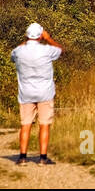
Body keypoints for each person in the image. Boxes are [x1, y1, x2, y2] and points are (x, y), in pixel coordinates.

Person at [10, 22, 64, 166]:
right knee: (44, 125)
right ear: (40, 36)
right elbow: (60, 50)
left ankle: (22, 157)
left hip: (26, 93)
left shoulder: (19, 52)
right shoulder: (47, 51)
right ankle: (42, 158)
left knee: (25, 125)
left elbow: (14, 53)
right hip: (44, 93)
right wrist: (48, 38)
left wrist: (26, 40)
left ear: (27, 36)